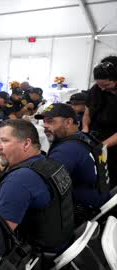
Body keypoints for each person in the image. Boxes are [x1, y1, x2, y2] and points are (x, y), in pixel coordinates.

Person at [0, 119, 74, 254]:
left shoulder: (18, 181)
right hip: (62, 240)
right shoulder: (50, 163)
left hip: (37, 254)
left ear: (26, 144)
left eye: (4, 141)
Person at [35, 103, 110, 225]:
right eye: (44, 121)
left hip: (82, 211)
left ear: (68, 122)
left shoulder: (66, 150)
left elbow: (43, 184)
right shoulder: (84, 137)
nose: (45, 126)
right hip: (98, 197)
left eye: (50, 121)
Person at [83, 56, 117, 188]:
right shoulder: (97, 89)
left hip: (113, 144)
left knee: (110, 178)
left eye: (107, 85)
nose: (102, 88)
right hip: (96, 135)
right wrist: (85, 129)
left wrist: (102, 146)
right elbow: (87, 111)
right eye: (99, 84)